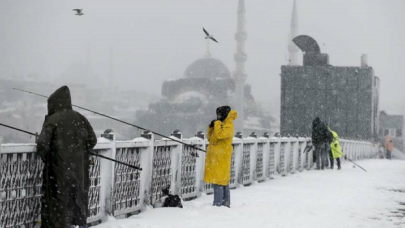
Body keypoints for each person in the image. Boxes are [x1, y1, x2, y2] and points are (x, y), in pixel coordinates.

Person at [36, 86, 97, 228]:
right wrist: (78, 151)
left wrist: (51, 158)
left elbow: (42, 145)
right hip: (79, 173)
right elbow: (92, 140)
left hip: (58, 174)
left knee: (58, 208)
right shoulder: (81, 118)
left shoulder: (52, 120)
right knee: (77, 205)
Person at [204, 106, 237, 207]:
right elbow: (211, 139)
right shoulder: (222, 124)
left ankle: (218, 204)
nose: (218, 117)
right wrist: (211, 127)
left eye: (220, 115)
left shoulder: (229, 125)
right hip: (216, 157)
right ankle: (225, 203)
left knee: (219, 181)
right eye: (217, 115)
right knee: (222, 180)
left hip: (222, 158)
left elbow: (220, 135)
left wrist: (217, 123)